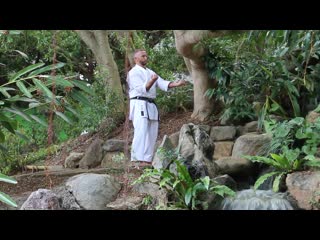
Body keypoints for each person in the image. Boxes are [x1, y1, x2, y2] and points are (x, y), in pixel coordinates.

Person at [127, 49, 187, 167]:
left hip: (151, 104)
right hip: (139, 103)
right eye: (143, 56)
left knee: (152, 132)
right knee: (141, 130)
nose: (146, 57)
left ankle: (147, 160)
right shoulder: (133, 73)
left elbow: (162, 83)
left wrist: (176, 84)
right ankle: (136, 159)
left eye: (146, 55)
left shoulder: (150, 72)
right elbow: (142, 89)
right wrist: (152, 80)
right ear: (136, 59)